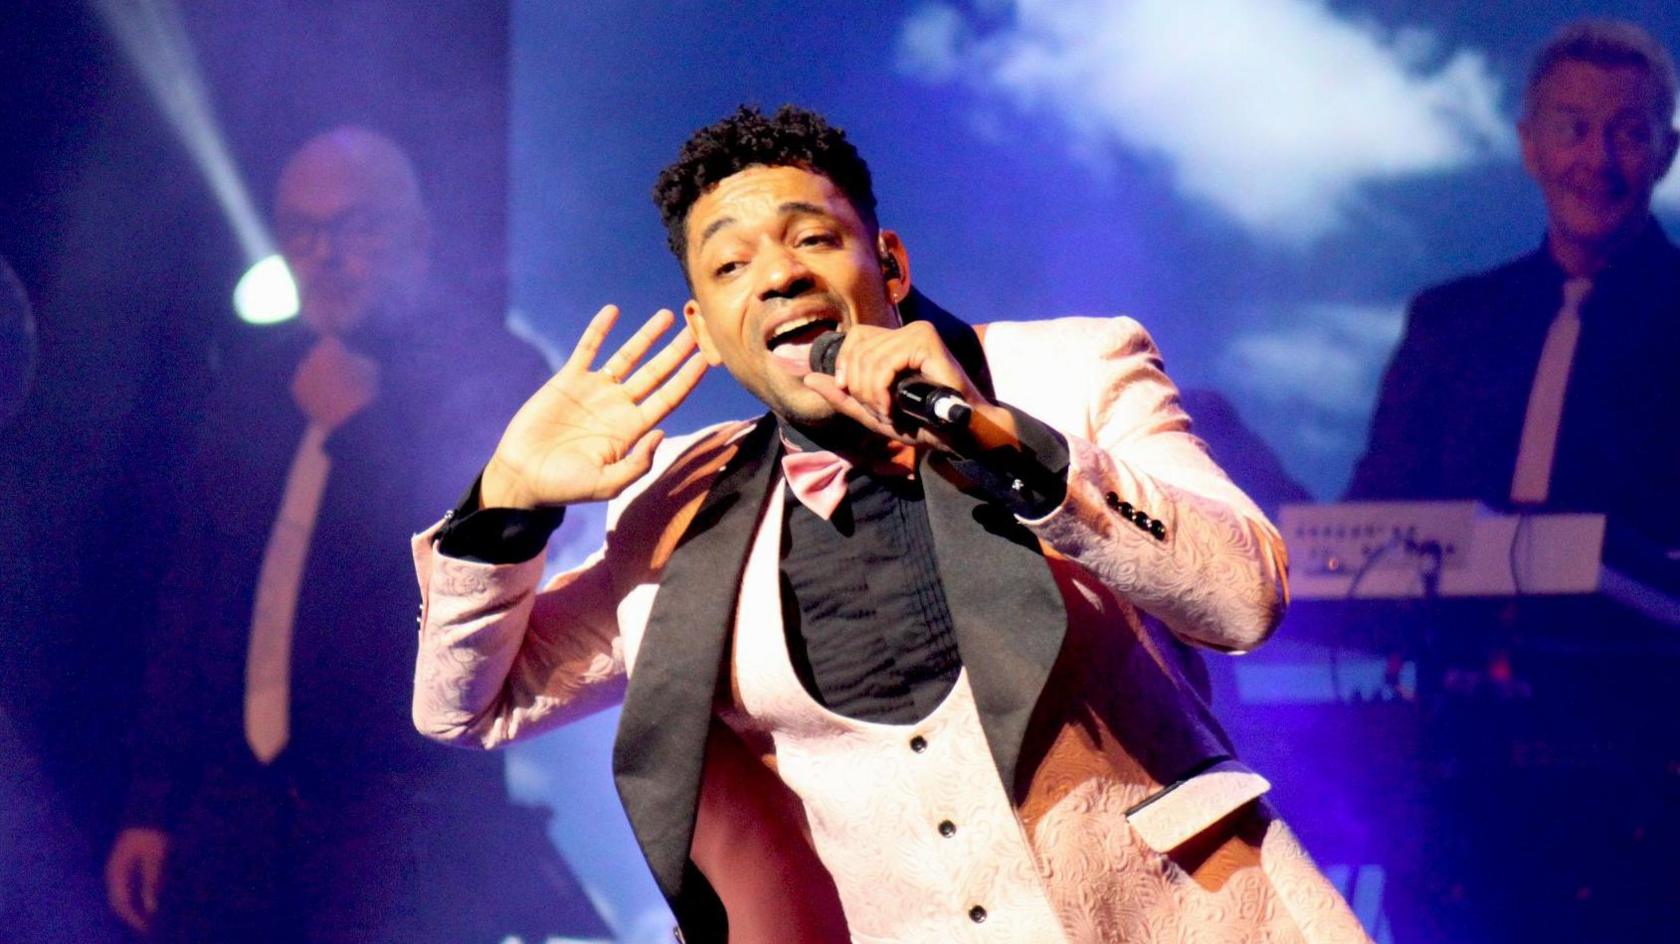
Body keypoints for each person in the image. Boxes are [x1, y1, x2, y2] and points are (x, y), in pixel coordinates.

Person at [412, 105, 1370, 943]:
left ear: (890, 263)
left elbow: (1244, 598)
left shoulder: (1067, 375)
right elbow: (468, 706)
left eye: (813, 240)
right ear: (705, 329)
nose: (779, 276)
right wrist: (508, 502)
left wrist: (1005, 445)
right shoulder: (678, 506)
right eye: (733, 263)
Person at [104, 127, 606, 942]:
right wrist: (152, 803)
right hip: (232, 812)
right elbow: (196, 603)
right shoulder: (257, 379)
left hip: (403, 819)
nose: (325, 254)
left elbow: (490, 570)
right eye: (301, 230)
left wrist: (365, 426)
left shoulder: (491, 369)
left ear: (417, 238)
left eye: (356, 228)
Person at [1347, 19, 1680, 566]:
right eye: (1573, 129)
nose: (1598, 160)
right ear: (1531, 147)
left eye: (1628, 133)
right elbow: (1373, 520)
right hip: (1456, 651)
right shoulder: (1447, 326)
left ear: (1665, 153)